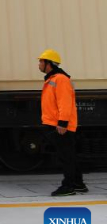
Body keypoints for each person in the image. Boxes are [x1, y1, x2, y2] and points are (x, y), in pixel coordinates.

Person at [38, 49, 87, 196]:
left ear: (49, 63)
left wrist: (63, 123)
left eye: (41, 61)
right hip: (55, 123)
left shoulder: (61, 79)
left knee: (66, 157)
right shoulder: (52, 79)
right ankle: (78, 184)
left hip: (60, 125)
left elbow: (65, 103)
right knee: (68, 155)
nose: (39, 64)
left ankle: (68, 186)